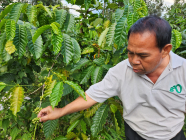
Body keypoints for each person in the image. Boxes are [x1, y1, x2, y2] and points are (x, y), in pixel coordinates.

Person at [38, 15, 186, 140]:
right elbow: (92, 96)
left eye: (143, 55)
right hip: (135, 134)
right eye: (130, 53)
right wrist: (60, 111)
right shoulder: (121, 71)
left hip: (174, 136)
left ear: (165, 50)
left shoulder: (183, 70)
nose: (134, 61)